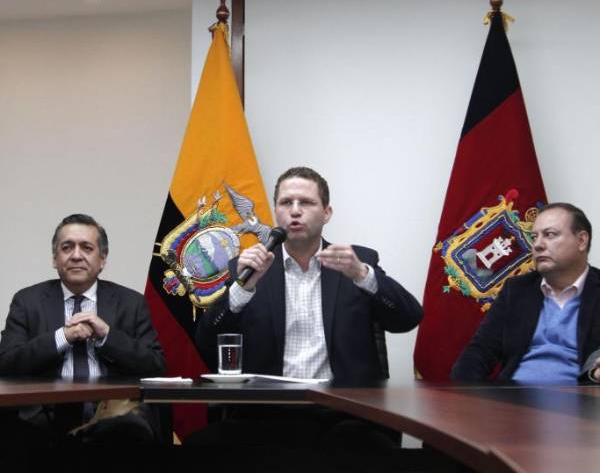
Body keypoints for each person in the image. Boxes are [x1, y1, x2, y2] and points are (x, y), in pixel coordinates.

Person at [188, 167, 423, 454]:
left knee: (359, 447)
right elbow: (205, 343)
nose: (295, 211)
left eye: (307, 202)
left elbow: (408, 318)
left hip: (343, 414)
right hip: (266, 414)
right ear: (276, 211)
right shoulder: (250, 267)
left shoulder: (355, 262)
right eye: (286, 203)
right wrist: (243, 289)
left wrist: (363, 275)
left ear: (327, 213)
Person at [0, 213, 168, 449]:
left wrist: (107, 336)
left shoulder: (130, 302)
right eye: (67, 247)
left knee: (128, 431)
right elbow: (6, 363)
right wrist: (63, 337)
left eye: (87, 248)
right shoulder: (28, 301)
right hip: (45, 414)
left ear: (102, 259)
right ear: (55, 259)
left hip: (113, 412)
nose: (76, 255)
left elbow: (156, 366)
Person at [451, 202, 600, 384]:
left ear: (582, 241)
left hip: (578, 398)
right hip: (514, 397)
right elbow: (480, 352)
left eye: (550, 235)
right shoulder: (517, 290)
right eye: (534, 237)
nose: (537, 245)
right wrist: (465, 394)